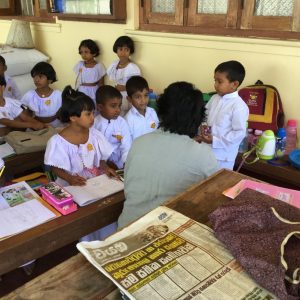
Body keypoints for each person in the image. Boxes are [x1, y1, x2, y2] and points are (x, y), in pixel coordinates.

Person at [117, 81, 219, 228]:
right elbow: (214, 200)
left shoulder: (139, 143)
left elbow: (129, 188)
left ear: (161, 111)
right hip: (165, 235)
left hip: (126, 228)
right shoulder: (203, 155)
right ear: (198, 118)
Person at [45, 86, 119, 241]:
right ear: (73, 118)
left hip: (95, 181)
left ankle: (107, 240)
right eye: (88, 114)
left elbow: (101, 158)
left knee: (106, 209)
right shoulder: (58, 142)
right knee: (84, 216)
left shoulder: (95, 135)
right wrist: (70, 179)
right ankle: (88, 243)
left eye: (93, 112)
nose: (93, 117)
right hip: (72, 184)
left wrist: (105, 167)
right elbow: (55, 167)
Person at [200, 60, 249, 170]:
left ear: (234, 84)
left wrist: (215, 140)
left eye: (219, 81)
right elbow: (204, 116)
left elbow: (239, 133)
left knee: (219, 185)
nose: (215, 85)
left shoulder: (239, 106)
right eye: (215, 80)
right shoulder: (214, 98)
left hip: (223, 158)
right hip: (205, 152)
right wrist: (203, 126)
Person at [94, 85, 132, 170]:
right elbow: (94, 149)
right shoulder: (94, 124)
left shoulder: (121, 122)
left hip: (120, 163)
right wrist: (106, 163)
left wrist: (126, 163)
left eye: (119, 105)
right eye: (113, 106)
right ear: (100, 107)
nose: (118, 110)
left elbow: (126, 146)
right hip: (101, 164)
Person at [21, 62, 63, 128]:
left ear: (50, 80)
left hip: (56, 126)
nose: (36, 80)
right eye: (34, 76)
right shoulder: (29, 95)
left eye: (40, 77)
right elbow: (22, 113)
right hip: (37, 126)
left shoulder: (58, 95)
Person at [107, 36, 141, 115]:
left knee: (125, 116)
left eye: (126, 49)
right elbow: (112, 80)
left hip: (127, 97)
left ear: (130, 51)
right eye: (120, 49)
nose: (123, 52)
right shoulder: (114, 65)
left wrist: (125, 87)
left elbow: (138, 86)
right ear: (116, 50)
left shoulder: (133, 68)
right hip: (115, 96)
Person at [124, 76, 159, 140]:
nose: (143, 100)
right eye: (138, 97)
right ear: (129, 99)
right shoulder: (128, 120)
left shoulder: (152, 112)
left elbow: (157, 132)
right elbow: (127, 144)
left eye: (146, 95)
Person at [74, 39, 106, 104]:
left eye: (86, 52)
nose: (83, 55)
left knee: (93, 106)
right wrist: (75, 91)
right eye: (81, 52)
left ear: (94, 53)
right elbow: (78, 79)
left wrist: (101, 96)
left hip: (93, 91)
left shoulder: (99, 66)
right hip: (81, 90)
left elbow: (101, 83)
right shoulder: (80, 64)